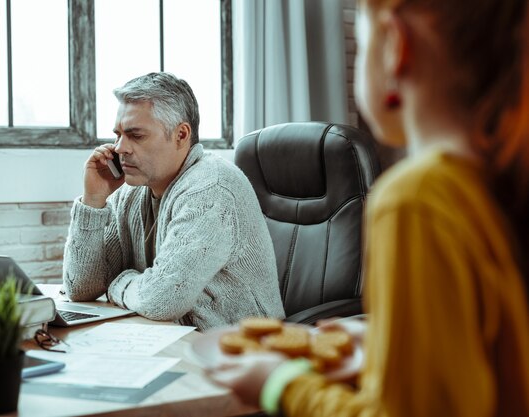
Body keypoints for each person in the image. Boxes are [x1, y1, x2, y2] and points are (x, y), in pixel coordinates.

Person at [207, 0, 529, 415]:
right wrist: (384, 344)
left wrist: (280, 385)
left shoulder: (418, 200)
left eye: (363, 40)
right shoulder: (499, 181)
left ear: (397, 44)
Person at [62, 72, 285, 331]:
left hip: (244, 351)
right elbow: (80, 289)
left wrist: (119, 283)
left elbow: (161, 301)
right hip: (174, 338)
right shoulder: (130, 191)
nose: (120, 148)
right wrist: (93, 201)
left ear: (181, 135)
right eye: (118, 135)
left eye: (136, 135)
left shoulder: (212, 187)